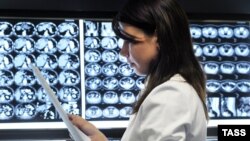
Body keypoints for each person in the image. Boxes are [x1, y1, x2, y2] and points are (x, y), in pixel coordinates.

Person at [69, 0, 208, 140]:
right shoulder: (171, 90)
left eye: (131, 40)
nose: (123, 52)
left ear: (159, 38)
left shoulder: (170, 96)